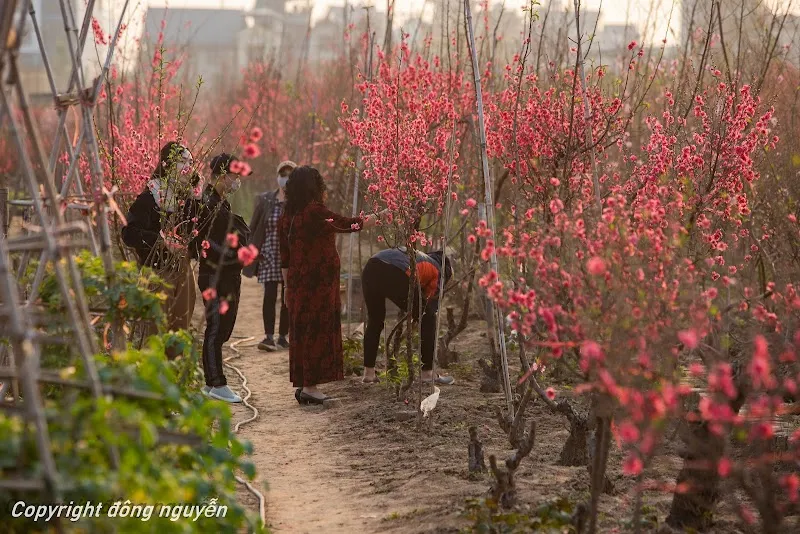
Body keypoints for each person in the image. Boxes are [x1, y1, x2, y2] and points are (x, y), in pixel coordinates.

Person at [278, 166, 383, 405]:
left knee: (302, 333)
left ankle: (306, 384)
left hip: (297, 284)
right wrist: (378, 219)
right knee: (316, 331)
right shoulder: (314, 212)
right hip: (317, 285)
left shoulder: (287, 216)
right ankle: (311, 387)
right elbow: (347, 224)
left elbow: (284, 257)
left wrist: (286, 288)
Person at [121, 141, 201, 357]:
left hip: (182, 271)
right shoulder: (151, 197)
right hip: (157, 272)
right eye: (182, 161)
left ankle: (175, 381)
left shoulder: (187, 199)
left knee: (180, 329)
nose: (188, 167)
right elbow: (128, 233)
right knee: (156, 333)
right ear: (166, 165)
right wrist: (160, 241)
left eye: (190, 162)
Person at [191, 153, 251, 403]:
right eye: (235, 176)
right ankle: (216, 383)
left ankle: (212, 381)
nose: (237, 181)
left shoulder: (219, 202)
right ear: (224, 176)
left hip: (224, 273)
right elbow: (208, 239)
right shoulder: (208, 203)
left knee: (223, 327)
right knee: (216, 328)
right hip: (215, 274)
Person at [360, 248, 455, 385]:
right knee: (427, 319)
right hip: (394, 271)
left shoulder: (419, 256)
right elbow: (430, 305)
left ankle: (368, 374)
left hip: (371, 267)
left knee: (375, 320)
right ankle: (427, 374)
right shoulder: (438, 269)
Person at [243, 160, 296, 351]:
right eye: (282, 175)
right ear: (277, 177)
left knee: (287, 296)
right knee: (270, 295)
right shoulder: (266, 200)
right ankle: (268, 337)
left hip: (290, 257)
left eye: (289, 175)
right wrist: (252, 251)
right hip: (269, 255)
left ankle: (283, 336)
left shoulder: (297, 204)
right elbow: (254, 227)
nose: (285, 179)